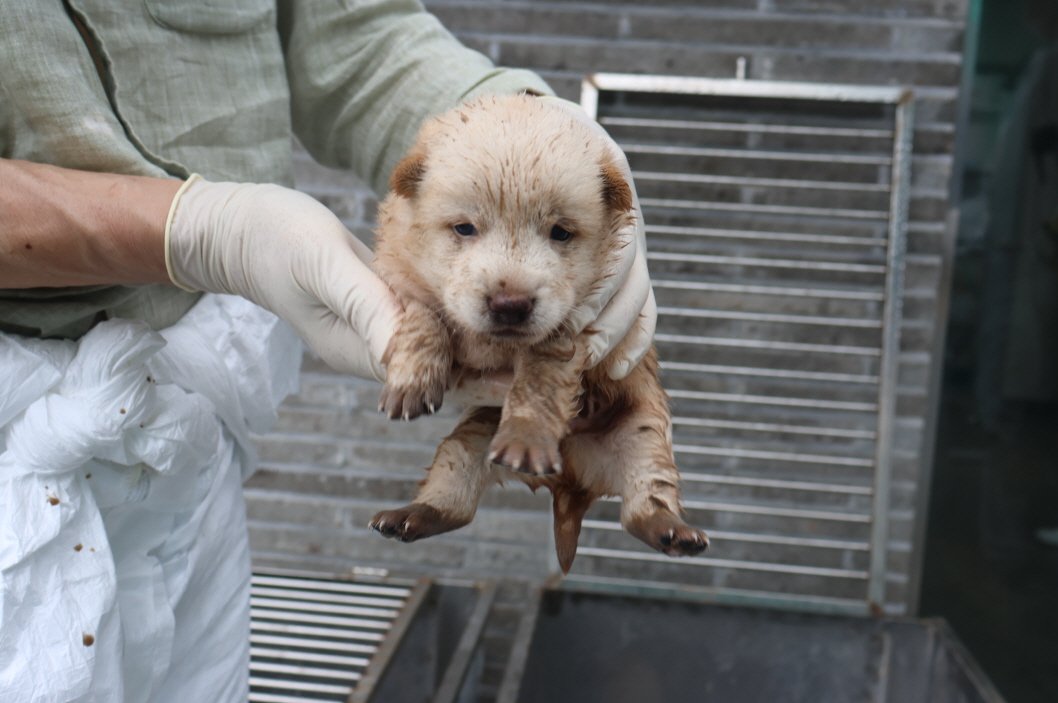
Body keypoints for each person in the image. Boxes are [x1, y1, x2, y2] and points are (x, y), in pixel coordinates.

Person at [0, 1, 654, 701]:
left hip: (188, 430)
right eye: (464, 228)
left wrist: (524, 122)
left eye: (561, 235)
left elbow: (355, 36)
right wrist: (199, 230)